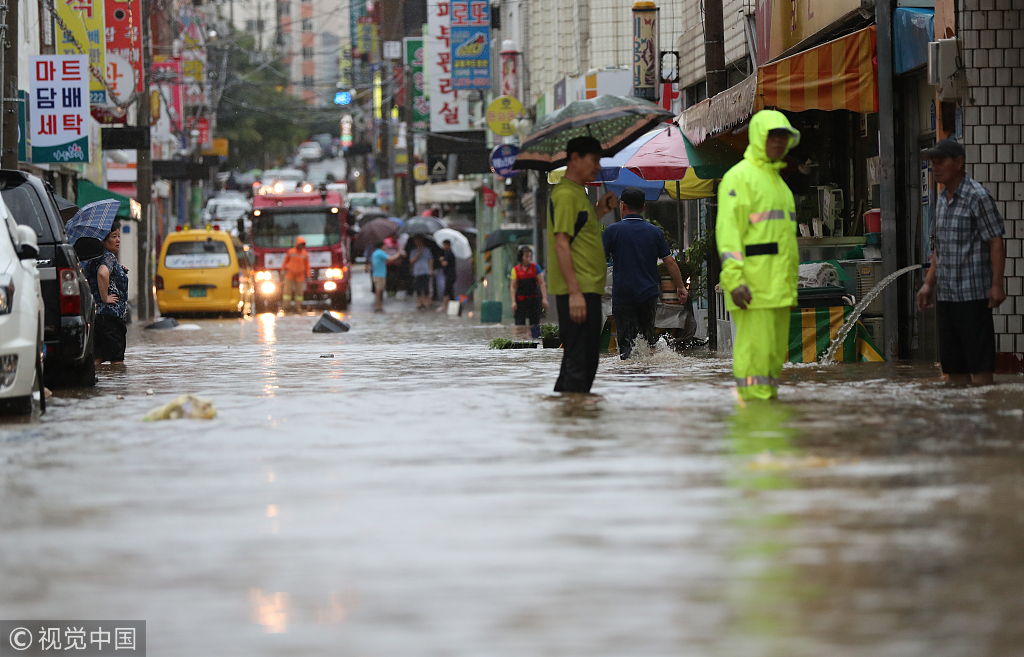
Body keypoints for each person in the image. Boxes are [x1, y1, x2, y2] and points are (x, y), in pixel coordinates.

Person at [717, 110, 801, 401]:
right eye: (771, 135)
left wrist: (790, 289)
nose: (778, 141)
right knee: (755, 363)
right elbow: (729, 234)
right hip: (752, 289)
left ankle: (767, 419)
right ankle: (753, 418)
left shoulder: (780, 185)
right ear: (757, 137)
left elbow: (785, 244)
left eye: (783, 136)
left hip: (778, 291)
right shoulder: (739, 178)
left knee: (772, 364)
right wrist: (734, 279)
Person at [916, 138, 1006, 385]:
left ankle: (984, 409)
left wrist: (997, 285)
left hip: (973, 296)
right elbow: (941, 249)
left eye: (940, 162)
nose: (935, 168)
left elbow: (996, 241)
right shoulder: (941, 199)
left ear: (959, 162)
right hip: (947, 298)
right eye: (933, 163)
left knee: (980, 368)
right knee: (954, 370)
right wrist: (928, 284)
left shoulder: (977, 196)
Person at [547, 136, 618, 393]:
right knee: (581, 361)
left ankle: (569, 411)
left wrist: (600, 210)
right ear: (575, 159)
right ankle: (575, 411)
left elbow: (579, 229)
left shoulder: (577, 192)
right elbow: (562, 244)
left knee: (581, 361)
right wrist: (575, 292)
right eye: (594, 160)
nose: (598, 166)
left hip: (587, 287)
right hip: (578, 289)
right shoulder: (566, 194)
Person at [602, 187, 687, 359]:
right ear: (643, 207)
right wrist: (681, 287)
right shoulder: (655, 232)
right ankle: (647, 373)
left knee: (626, 346)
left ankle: (629, 373)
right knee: (648, 343)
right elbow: (670, 262)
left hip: (623, 295)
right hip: (648, 295)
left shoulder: (612, 231)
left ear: (622, 205)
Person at [83, 220, 129, 366]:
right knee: (117, 363)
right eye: (114, 236)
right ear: (103, 240)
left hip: (97, 316)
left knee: (97, 359)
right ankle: (116, 383)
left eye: (119, 236)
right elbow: (102, 273)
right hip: (112, 317)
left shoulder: (92, 258)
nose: (118, 240)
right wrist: (105, 298)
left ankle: (94, 381)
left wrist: (119, 269)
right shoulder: (108, 257)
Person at [510, 246, 548, 339]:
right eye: (526, 256)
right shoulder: (515, 270)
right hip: (521, 302)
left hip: (534, 301)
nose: (528, 259)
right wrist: (513, 302)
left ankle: (535, 343)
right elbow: (513, 286)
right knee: (519, 326)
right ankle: (521, 342)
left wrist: (544, 299)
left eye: (530, 256)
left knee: (535, 327)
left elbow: (542, 283)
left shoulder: (536, 267)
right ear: (521, 257)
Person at [370, 242, 403, 312]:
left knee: (379, 291)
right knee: (379, 291)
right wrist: (399, 252)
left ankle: (378, 306)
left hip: (377, 274)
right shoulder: (380, 253)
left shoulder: (375, 253)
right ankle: (378, 306)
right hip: (380, 275)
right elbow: (391, 258)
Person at [281, 236, 310, 312]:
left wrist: (308, 274)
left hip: (300, 276)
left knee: (299, 292)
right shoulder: (291, 252)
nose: (301, 246)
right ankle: (286, 307)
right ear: (297, 244)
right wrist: (283, 269)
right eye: (300, 244)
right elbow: (285, 261)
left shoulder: (304, 253)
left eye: (302, 244)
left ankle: (298, 307)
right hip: (290, 274)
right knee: (287, 292)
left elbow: (307, 265)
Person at [409, 235, 434, 310]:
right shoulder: (413, 251)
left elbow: (430, 260)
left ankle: (426, 302)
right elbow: (411, 261)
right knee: (418, 288)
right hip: (417, 271)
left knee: (426, 287)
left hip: (425, 271)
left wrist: (431, 270)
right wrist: (418, 254)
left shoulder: (427, 250)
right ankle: (419, 302)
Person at [439, 239, 458, 309]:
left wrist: (441, 260)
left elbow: (445, 263)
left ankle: (444, 305)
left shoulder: (449, 253)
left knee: (447, 290)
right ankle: (453, 306)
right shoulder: (447, 253)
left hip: (450, 275)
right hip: (450, 274)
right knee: (450, 291)